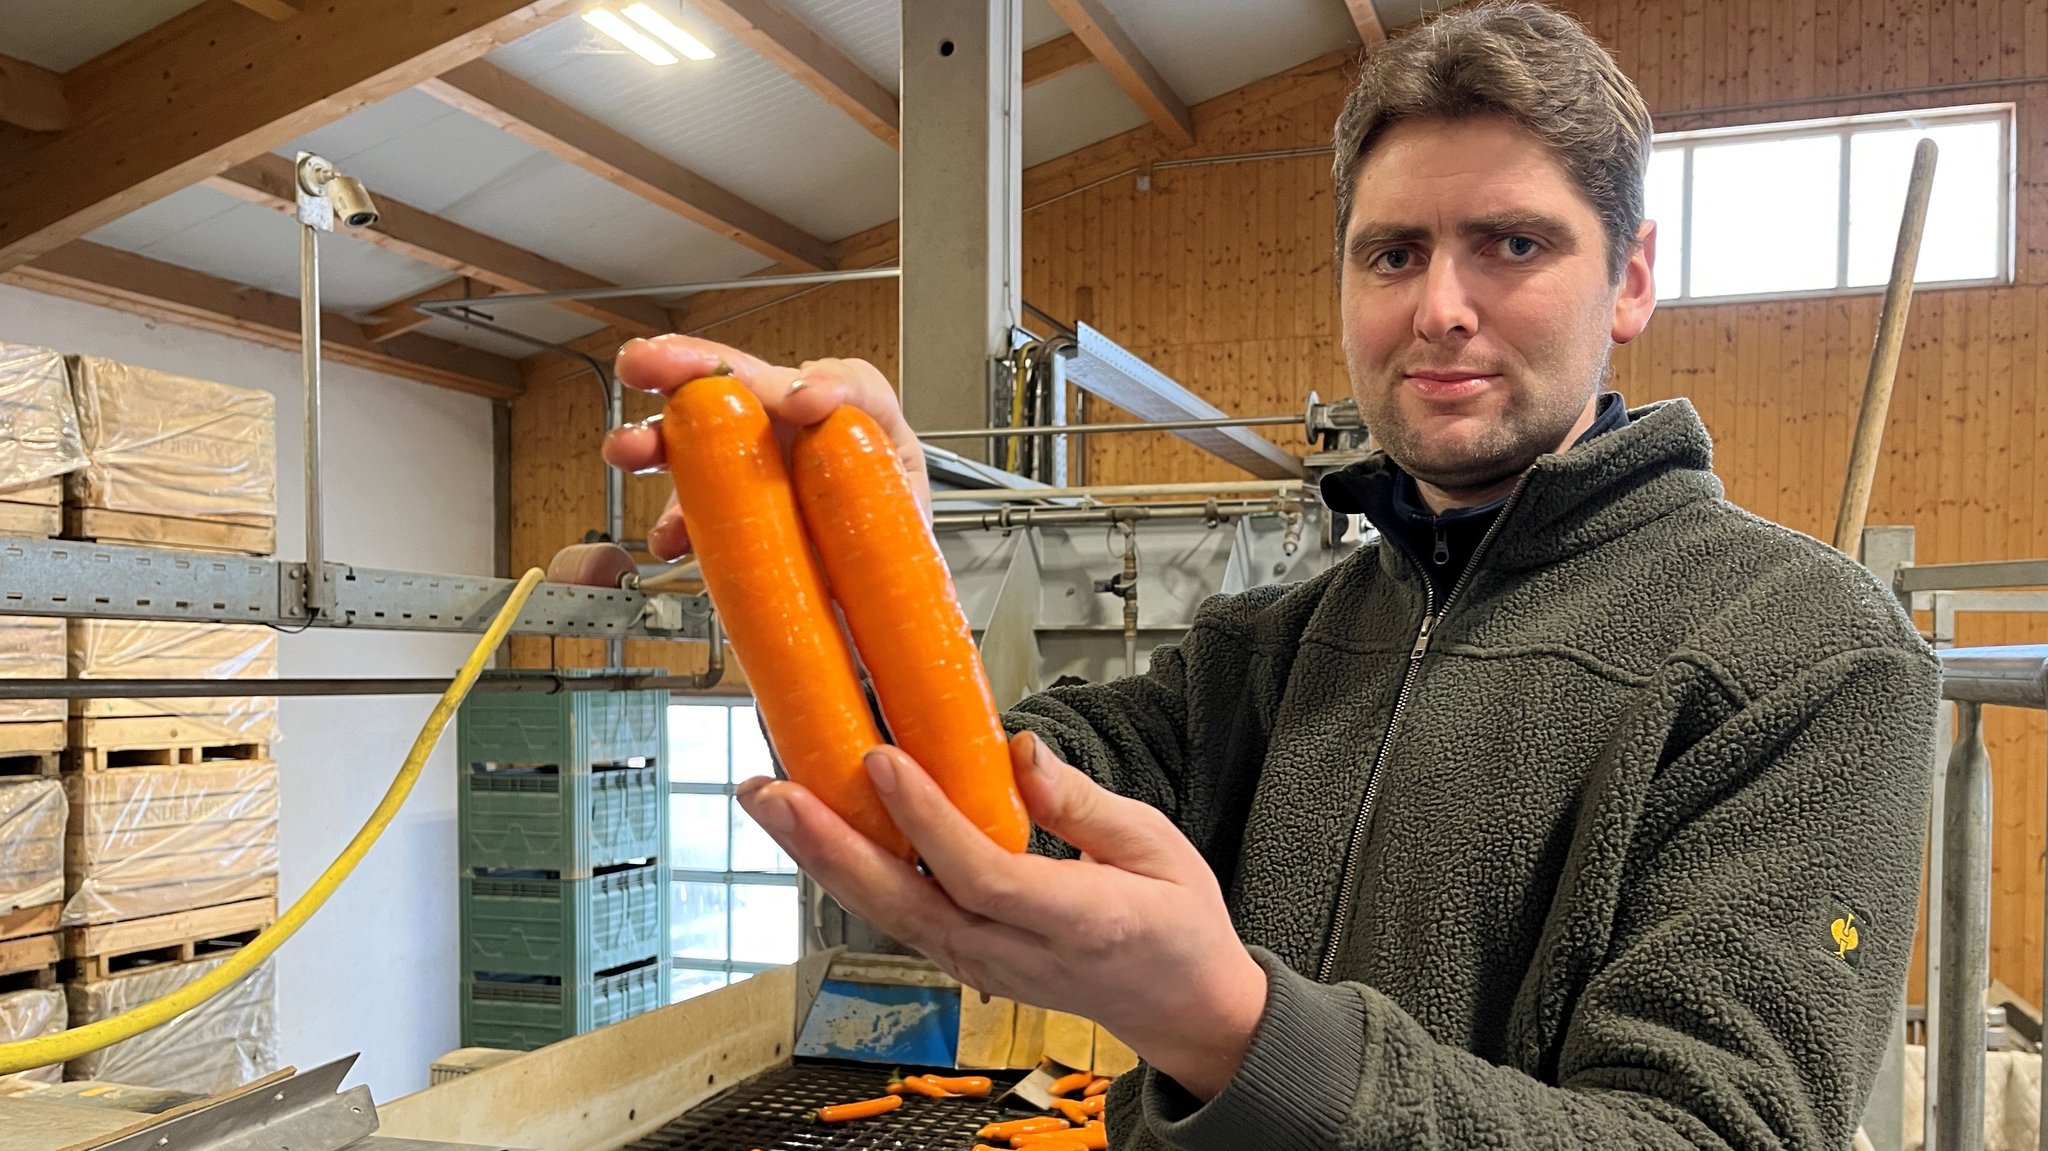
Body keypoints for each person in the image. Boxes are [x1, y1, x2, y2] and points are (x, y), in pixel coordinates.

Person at [601, 4, 1940, 1147]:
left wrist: (1236, 1031)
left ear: (1633, 278)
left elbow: (1703, 1135)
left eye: (1514, 246)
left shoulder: (1808, 652)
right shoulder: (1275, 646)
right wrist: (850, 562)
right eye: (1395, 253)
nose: (1440, 309)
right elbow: (966, 823)